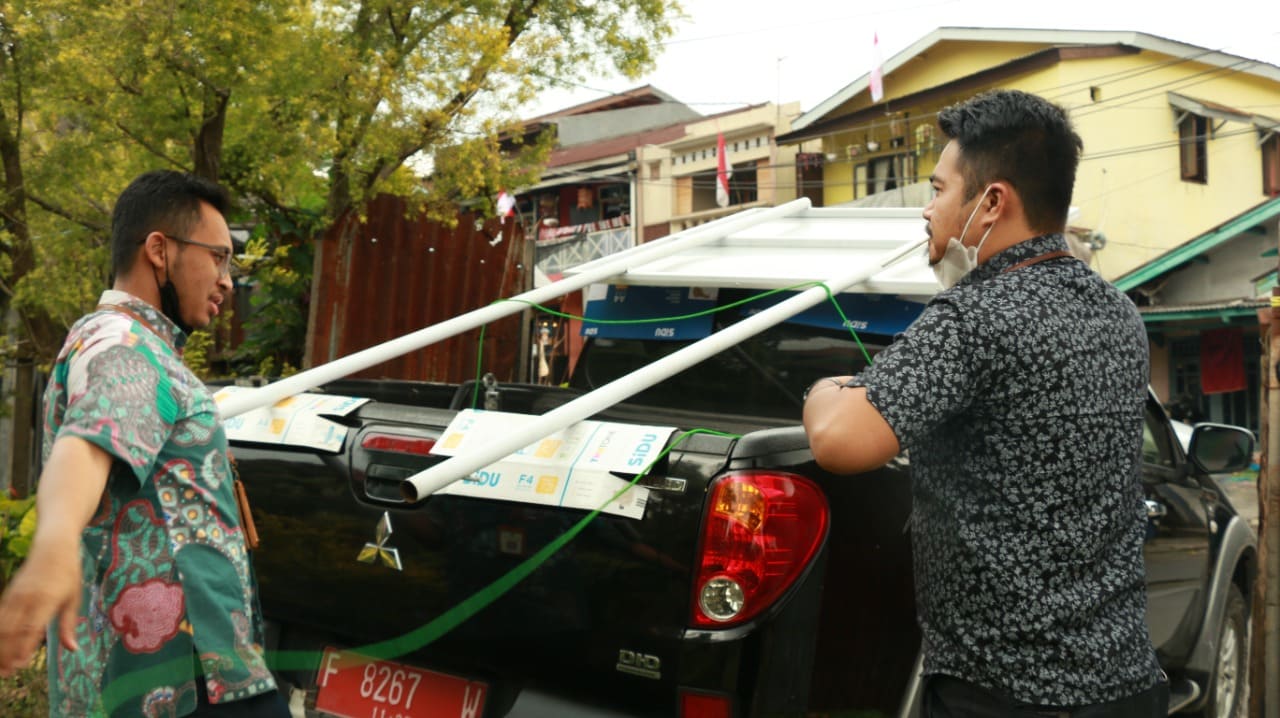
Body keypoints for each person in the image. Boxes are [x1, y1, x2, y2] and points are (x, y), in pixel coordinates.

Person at [802, 90, 1167, 717]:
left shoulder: (976, 316)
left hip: (1005, 695)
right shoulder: (1119, 312)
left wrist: (822, 388)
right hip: (1127, 683)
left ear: (992, 201)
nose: (928, 209)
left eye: (940, 190)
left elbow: (838, 441)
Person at [0, 171, 290, 717]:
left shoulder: (136, 346)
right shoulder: (124, 346)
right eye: (219, 257)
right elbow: (88, 444)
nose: (228, 279)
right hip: (183, 679)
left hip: (189, 671)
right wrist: (55, 540)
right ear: (160, 250)